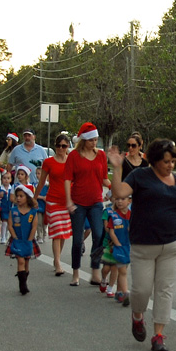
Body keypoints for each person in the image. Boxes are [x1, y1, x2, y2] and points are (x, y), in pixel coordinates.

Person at [107, 138, 176, 351]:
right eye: (166, 161)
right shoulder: (140, 177)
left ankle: (159, 335)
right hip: (144, 244)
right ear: (154, 161)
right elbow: (118, 193)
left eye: (173, 161)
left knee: (165, 290)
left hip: (173, 243)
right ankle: (138, 316)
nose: (170, 166)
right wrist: (116, 168)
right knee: (142, 290)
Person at [64, 122, 108, 287]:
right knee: (77, 240)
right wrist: (68, 201)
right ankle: (75, 272)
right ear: (84, 140)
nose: (94, 143)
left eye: (96, 140)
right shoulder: (74, 156)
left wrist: (116, 188)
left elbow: (104, 179)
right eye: (91, 140)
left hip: (96, 201)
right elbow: (67, 179)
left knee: (98, 234)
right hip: (78, 203)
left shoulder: (101, 156)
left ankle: (95, 270)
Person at [38, 134, 72, 275]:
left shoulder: (71, 161)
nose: (60, 148)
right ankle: (57, 262)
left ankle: (57, 258)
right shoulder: (49, 162)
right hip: (52, 200)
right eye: (58, 145)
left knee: (63, 233)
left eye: (64, 146)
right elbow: (41, 181)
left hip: (67, 202)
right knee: (57, 232)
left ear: (67, 147)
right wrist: (34, 197)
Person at [103, 182, 132, 305]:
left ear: (129, 201)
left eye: (123, 199)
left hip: (129, 246)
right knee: (121, 270)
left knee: (124, 269)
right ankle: (124, 293)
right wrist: (117, 244)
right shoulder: (113, 216)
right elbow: (111, 231)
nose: (120, 202)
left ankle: (119, 291)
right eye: (118, 199)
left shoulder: (132, 216)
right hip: (118, 246)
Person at [7, 184, 38, 295]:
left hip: (28, 240)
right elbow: (10, 225)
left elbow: (34, 227)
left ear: (27, 198)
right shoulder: (13, 210)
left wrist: (29, 240)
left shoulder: (33, 212)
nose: (18, 198)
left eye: (21, 196)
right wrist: (15, 237)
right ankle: (22, 285)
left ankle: (24, 278)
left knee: (26, 261)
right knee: (20, 260)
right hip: (17, 239)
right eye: (17, 196)